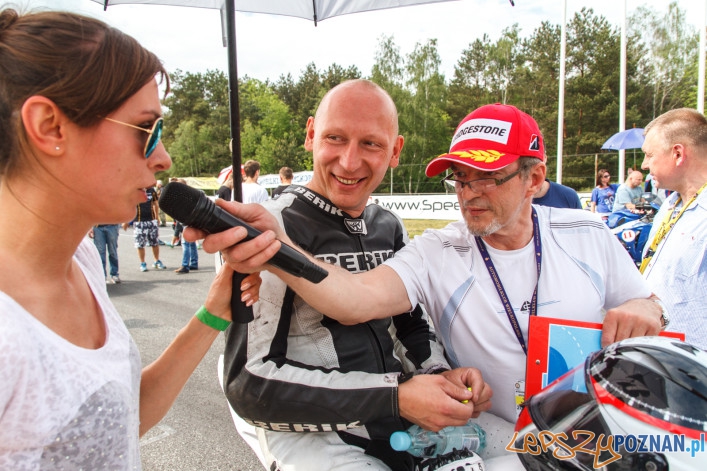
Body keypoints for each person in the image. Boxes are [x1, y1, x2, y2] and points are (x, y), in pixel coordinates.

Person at [201, 103, 665, 428]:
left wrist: (648, 311)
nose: (469, 194)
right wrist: (278, 247)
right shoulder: (437, 250)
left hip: (603, 433)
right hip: (502, 440)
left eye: (487, 177)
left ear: (534, 178)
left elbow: (647, 306)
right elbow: (352, 300)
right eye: (459, 177)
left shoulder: (588, 232)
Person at [0, 8, 261, 469]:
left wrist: (215, 312)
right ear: (49, 126)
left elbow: (117, 422)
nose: (163, 156)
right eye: (146, 129)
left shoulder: (81, 258)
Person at [196, 80, 491, 471]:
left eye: (371, 144)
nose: (350, 162)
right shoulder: (269, 229)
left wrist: (439, 376)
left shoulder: (389, 225)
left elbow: (411, 326)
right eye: (335, 138)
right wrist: (394, 396)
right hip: (317, 440)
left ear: (396, 152)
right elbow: (248, 385)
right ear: (310, 135)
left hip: (401, 421)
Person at [640, 108, 707, 350]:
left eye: (649, 155)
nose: (644, 164)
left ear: (678, 153)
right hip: (663, 357)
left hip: (696, 370)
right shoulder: (670, 204)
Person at [123, 184, 167, 271]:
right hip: (139, 221)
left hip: (151, 220)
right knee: (140, 244)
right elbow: (130, 205)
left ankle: (156, 261)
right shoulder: (135, 190)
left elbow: (155, 203)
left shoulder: (151, 190)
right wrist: (127, 220)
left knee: (155, 242)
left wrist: (156, 217)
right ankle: (143, 263)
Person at [174, 179, 199, 274]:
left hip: (185, 222)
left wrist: (176, 232)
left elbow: (178, 215)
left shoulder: (180, 198)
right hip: (193, 221)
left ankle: (185, 265)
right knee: (192, 243)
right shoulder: (191, 195)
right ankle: (194, 262)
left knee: (185, 244)